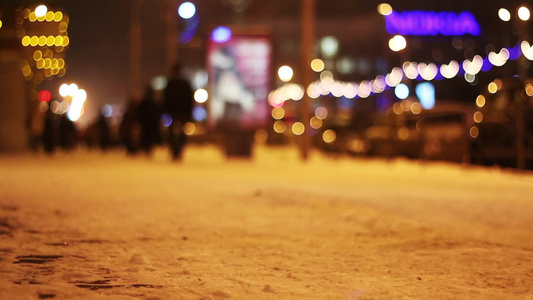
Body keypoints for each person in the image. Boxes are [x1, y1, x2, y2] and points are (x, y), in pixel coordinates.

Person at [162, 63, 194, 160]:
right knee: (180, 133)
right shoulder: (183, 84)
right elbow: (190, 100)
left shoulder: (171, 84)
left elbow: (165, 99)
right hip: (180, 113)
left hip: (175, 112)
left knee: (174, 133)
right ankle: (177, 151)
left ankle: (176, 151)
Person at [137, 86, 161, 156]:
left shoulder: (144, 102)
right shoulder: (154, 102)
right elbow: (158, 112)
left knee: (146, 136)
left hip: (145, 122)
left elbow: (139, 112)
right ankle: (149, 149)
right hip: (152, 123)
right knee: (151, 136)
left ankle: (147, 149)